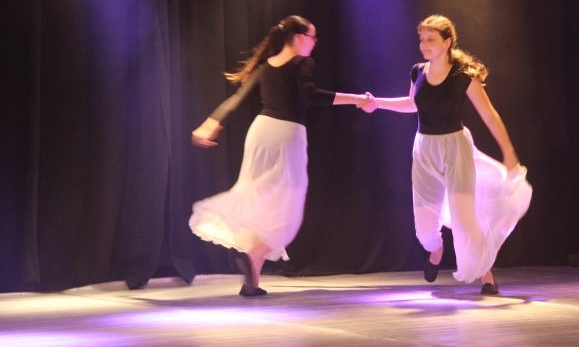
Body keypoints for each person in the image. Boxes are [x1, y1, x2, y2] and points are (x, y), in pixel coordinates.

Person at [190, 15, 369, 296]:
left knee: (260, 198)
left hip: (261, 133)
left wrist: (212, 121)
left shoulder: (265, 66)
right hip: (287, 135)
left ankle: (252, 283)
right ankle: (251, 257)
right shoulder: (302, 63)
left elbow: (237, 99)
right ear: (299, 37)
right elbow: (310, 94)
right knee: (287, 210)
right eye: (312, 37)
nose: (314, 43)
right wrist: (355, 99)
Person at [361, 15, 532, 295]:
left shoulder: (463, 76)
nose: (424, 44)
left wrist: (509, 151)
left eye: (430, 39)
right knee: (424, 231)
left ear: (447, 42)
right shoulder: (417, 71)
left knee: (466, 219)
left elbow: (489, 115)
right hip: (425, 149)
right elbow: (412, 104)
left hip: (456, 148)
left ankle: (486, 276)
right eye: (422, 39)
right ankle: (436, 250)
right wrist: (377, 103)